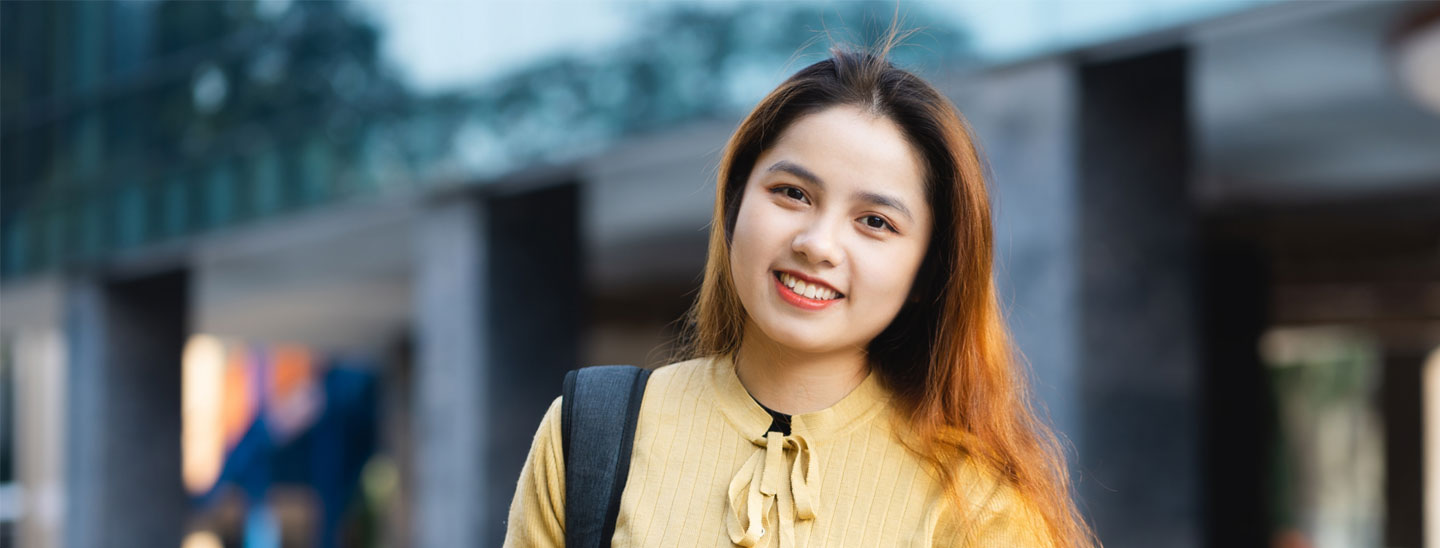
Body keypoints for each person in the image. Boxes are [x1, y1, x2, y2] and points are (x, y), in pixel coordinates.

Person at [503, 34, 1096, 548]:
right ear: (735, 202)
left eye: (875, 222)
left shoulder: (975, 500)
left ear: (927, 274)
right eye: (792, 193)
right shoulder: (590, 434)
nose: (817, 243)